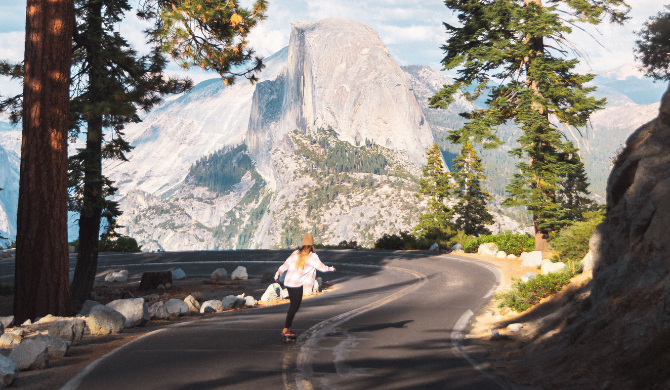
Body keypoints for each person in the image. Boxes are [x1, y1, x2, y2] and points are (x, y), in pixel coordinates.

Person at [275, 233, 336, 338]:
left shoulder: (295, 253)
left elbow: (285, 265)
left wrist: (277, 274)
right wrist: (332, 269)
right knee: (294, 307)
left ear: (303, 244)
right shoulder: (312, 256)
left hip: (288, 282)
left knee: (293, 306)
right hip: (296, 284)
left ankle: (288, 329)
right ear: (312, 244)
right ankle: (285, 329)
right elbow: (322, 268)